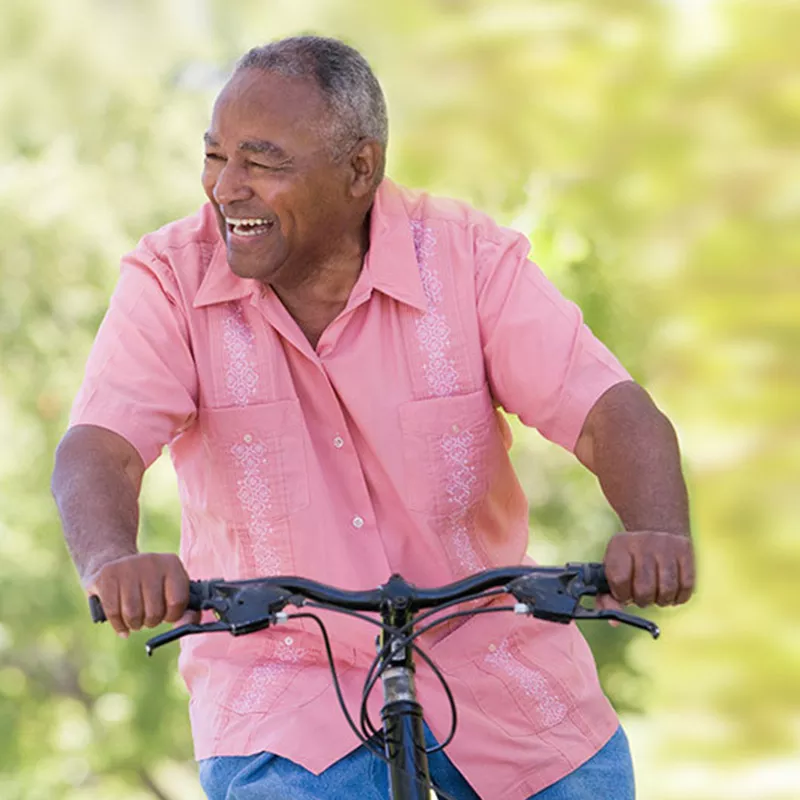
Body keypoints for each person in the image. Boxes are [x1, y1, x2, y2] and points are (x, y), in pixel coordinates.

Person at [51, 35, 694, 800]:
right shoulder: (170, 277)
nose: (226, 188)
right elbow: (102, 449)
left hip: (495, 666)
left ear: (361, 169)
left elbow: (607, 412)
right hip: (280, 684)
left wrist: (658, 530)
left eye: (263, 162)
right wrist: (112, 561)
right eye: (216, 157)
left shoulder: (468, 259)